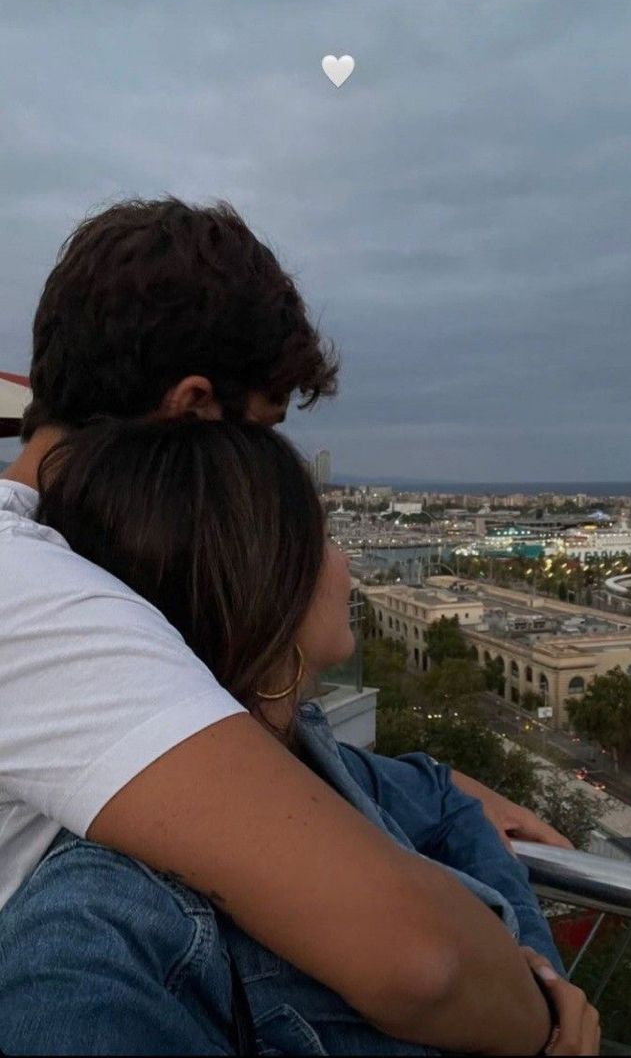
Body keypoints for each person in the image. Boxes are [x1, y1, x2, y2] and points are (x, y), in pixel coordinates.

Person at [0, 199, 577, 1054]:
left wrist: (394, 782)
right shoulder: (35, 593)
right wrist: (549, 1022)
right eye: (264, 433)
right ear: (193, 408)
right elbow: (417, 959)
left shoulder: (66, 558)